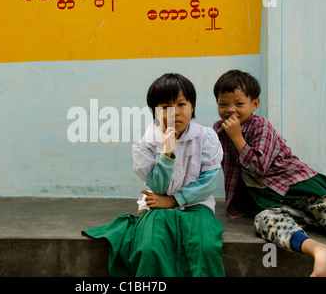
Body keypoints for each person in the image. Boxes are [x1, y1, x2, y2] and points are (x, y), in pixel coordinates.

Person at [82, 73, 225, 276]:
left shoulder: (206, 137)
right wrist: (167, 151)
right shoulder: (145, 144)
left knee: (205, 247)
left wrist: (174, 200)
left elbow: (208, 183)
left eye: (181, 104)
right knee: (149, 249)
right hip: (157, 203)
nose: (174, 112)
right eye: (165, 107)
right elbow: (157, 188)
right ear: (155, 112)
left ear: (192, 106)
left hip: (196, 205)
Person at [213, 69, 326, 277]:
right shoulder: (219, 130)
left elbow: (258, 169)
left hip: (300, 189)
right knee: (264, 221)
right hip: (276, 202)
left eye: (239, 104)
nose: (231, 110)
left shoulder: (260, 126)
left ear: (254, 104)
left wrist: (237, 137)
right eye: (224, 104)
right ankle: (321, 252)